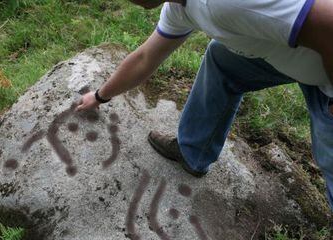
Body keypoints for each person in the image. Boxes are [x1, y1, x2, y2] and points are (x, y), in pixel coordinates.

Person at [76, 0, 333, 210]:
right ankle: (193, 152)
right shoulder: (180, 7)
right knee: (223, 58)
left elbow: (329, 23)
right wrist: (100, 96)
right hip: (301, 51)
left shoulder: (225, 4)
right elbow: (144, 58)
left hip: (327, 69)